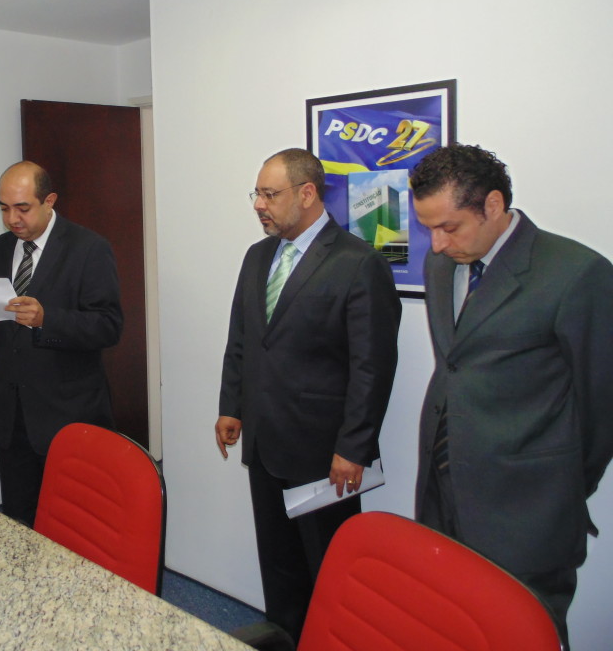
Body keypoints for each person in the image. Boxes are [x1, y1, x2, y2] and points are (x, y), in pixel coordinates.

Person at [410, 144, 613, 648]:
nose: (435, 245)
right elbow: (454, 366)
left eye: (448, 227)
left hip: (527, 510)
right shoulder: (442, 267)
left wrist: (560, 487)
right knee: (451, 623)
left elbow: (601, 403)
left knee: (522, 633)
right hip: (443, 490)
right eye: (426, 227)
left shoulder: (576, 274)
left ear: (494, 206)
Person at [215, 148, 401, 644]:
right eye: (256, 193)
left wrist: (354, 447)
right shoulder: (258, 257)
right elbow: (242, 338)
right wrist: (231, 407)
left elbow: (373, 367)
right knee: (278, 561)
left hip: (323, 455)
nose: (259, 204)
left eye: (269, 194)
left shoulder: (358, 264)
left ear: (307, 193)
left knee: (328, 568)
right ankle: (283, 634)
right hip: (265, 440)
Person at [0, 161, 123, 526]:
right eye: (3, 208)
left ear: (49, 200)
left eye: (22, 208)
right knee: (20, 520)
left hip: (69, 413)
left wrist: (48, 318)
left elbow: (109, 326)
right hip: (11, 414)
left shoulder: (88, 248)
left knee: (76, 522)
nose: (12, 219)